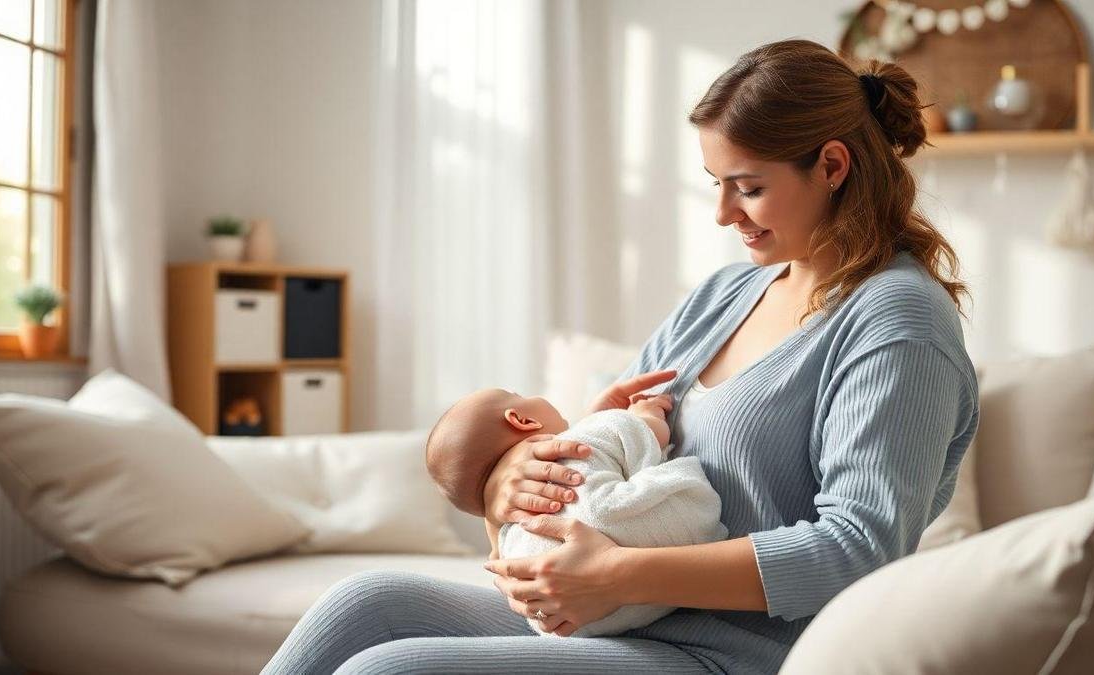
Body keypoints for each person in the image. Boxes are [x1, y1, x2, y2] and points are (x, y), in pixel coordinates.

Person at [261, 37, 980, 674]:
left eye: (749, 187)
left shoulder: (898, 323)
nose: (724, 213)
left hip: (728, 653)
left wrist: (617, 574)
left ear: (831, 165)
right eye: (716, 183)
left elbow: (859, 546)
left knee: (389, 671)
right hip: (626, 619)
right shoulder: (729, 293)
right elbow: (620, 459)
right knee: (365, 603)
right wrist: (511, 484)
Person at [422, 387, 729, 637]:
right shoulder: (583, 437)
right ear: (521, 419)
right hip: (680, 538)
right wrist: (643, 414)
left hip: (568, 622)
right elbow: (648, 433)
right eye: (517, 392)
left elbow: (500, 564)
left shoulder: (508, 530)